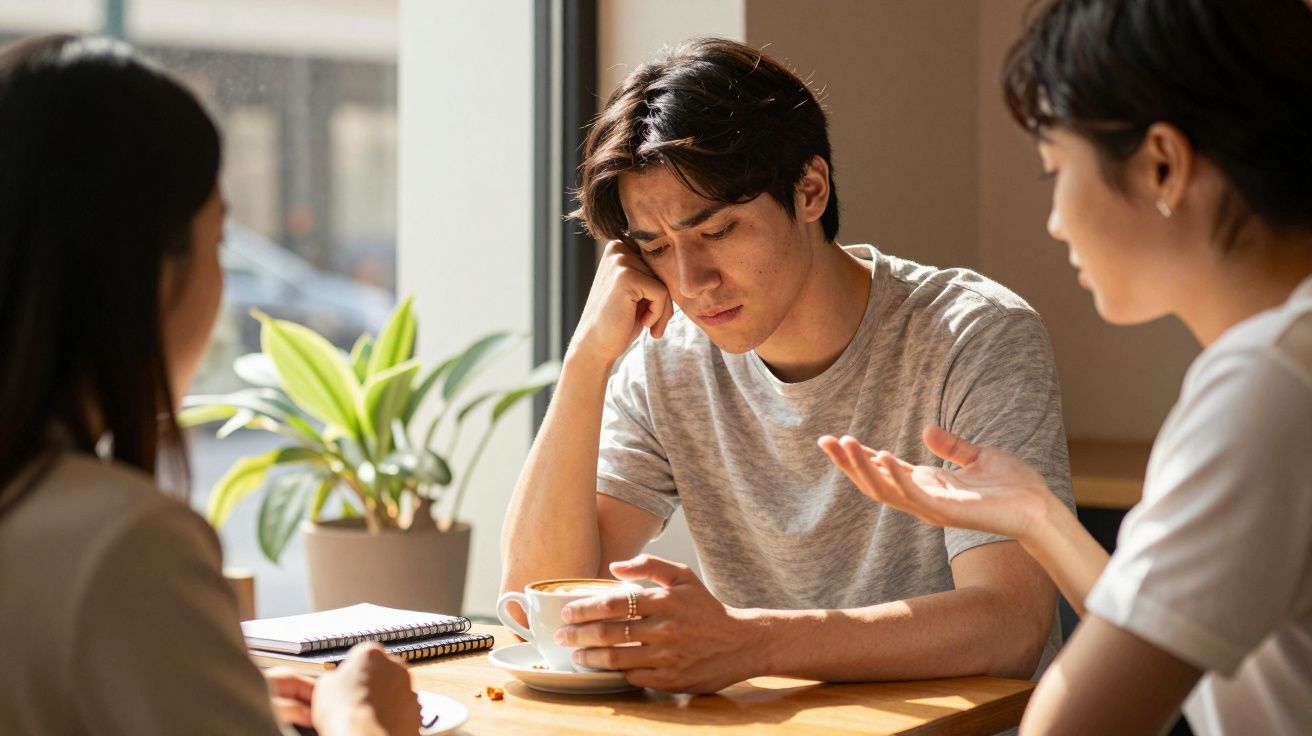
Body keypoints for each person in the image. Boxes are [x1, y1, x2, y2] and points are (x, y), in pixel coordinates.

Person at [501, 37, 1075, 693]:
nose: (691, 282)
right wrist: (586, 361)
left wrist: (752, 643)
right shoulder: (667, 359)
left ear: (810, 189)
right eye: (656, 247)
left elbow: (1010, 627)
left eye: (715, 231)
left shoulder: (972, 334)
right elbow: (533, 605)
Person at [820, 1, 1312, 733]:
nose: (1054, 221)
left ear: (1162, 165)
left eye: (1055, 172)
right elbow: (1166, 631)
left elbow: (1074, 723)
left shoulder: (1267, 386)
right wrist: (1036, 516)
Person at [0, 35, 420, 735]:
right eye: (218, 240)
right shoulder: (124, 543)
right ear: (150, 270)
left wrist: (185, 672)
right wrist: (360, 718)